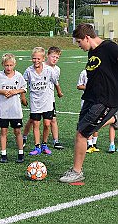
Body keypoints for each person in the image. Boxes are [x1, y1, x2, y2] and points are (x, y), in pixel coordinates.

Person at [60, 23, 118, 183]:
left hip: (105, 100)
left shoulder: (110, 48)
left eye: (79, 42)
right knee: (81, 129)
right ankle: (114, 120)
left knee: (82, 134)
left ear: (87, 37)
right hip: (90, 98)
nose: (78, 45)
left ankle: (77, 171)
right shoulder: (92, 51)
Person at [22, 46, 64, 150]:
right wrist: (22, 97)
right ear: (47, 56)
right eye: (53, 56)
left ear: (43, 58)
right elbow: (23, 83)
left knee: (49, 122)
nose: (55, 59)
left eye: (57, 57)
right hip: (36, 100)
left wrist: (58, 92)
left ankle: (53, 141)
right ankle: (26, 138)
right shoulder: (30, 70)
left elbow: (55, 82)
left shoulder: (54, 70)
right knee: (33, 121)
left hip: (49, 99)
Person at [0, 53, 27, 163]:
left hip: (15, 110)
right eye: (6, 65)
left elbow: (24, 88)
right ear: (3, 64)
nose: (9, 68)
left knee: (17, 131)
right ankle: (3, 154)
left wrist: (15, 91)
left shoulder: (18, 76)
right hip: (3, 110)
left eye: (11, 65)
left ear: (14, 64)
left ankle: (20, 153)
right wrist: (2, 91)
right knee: (3, 131)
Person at [77, 69, 99, 153]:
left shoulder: (101, 72)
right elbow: (79, 86)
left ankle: (94, 144)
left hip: (98, 102)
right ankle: (89, 144)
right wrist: (89, 88)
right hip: (87, 101)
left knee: (96, 122)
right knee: (88, 122)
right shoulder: (84, 72)